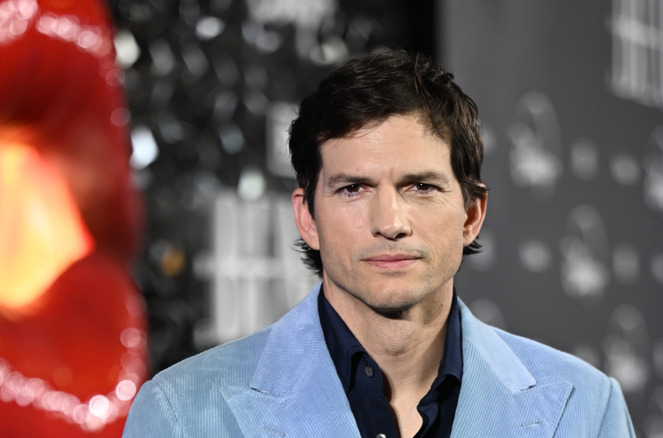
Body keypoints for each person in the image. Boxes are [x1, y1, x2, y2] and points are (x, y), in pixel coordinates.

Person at [123, 50, 636, 437]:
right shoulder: (180, 413)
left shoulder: (585, 409)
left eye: (420, 186)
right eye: (353, 189)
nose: (389, 221)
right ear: (307, 218)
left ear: (472, 214)